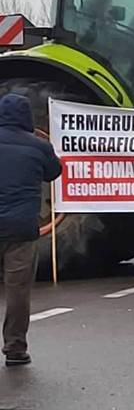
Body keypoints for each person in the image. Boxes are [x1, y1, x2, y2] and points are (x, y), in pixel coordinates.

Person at [0, 94, 62, 367]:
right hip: (22, 229)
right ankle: (15, 348)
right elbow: (54, 172)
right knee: (17, 290)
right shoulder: (38, 146)